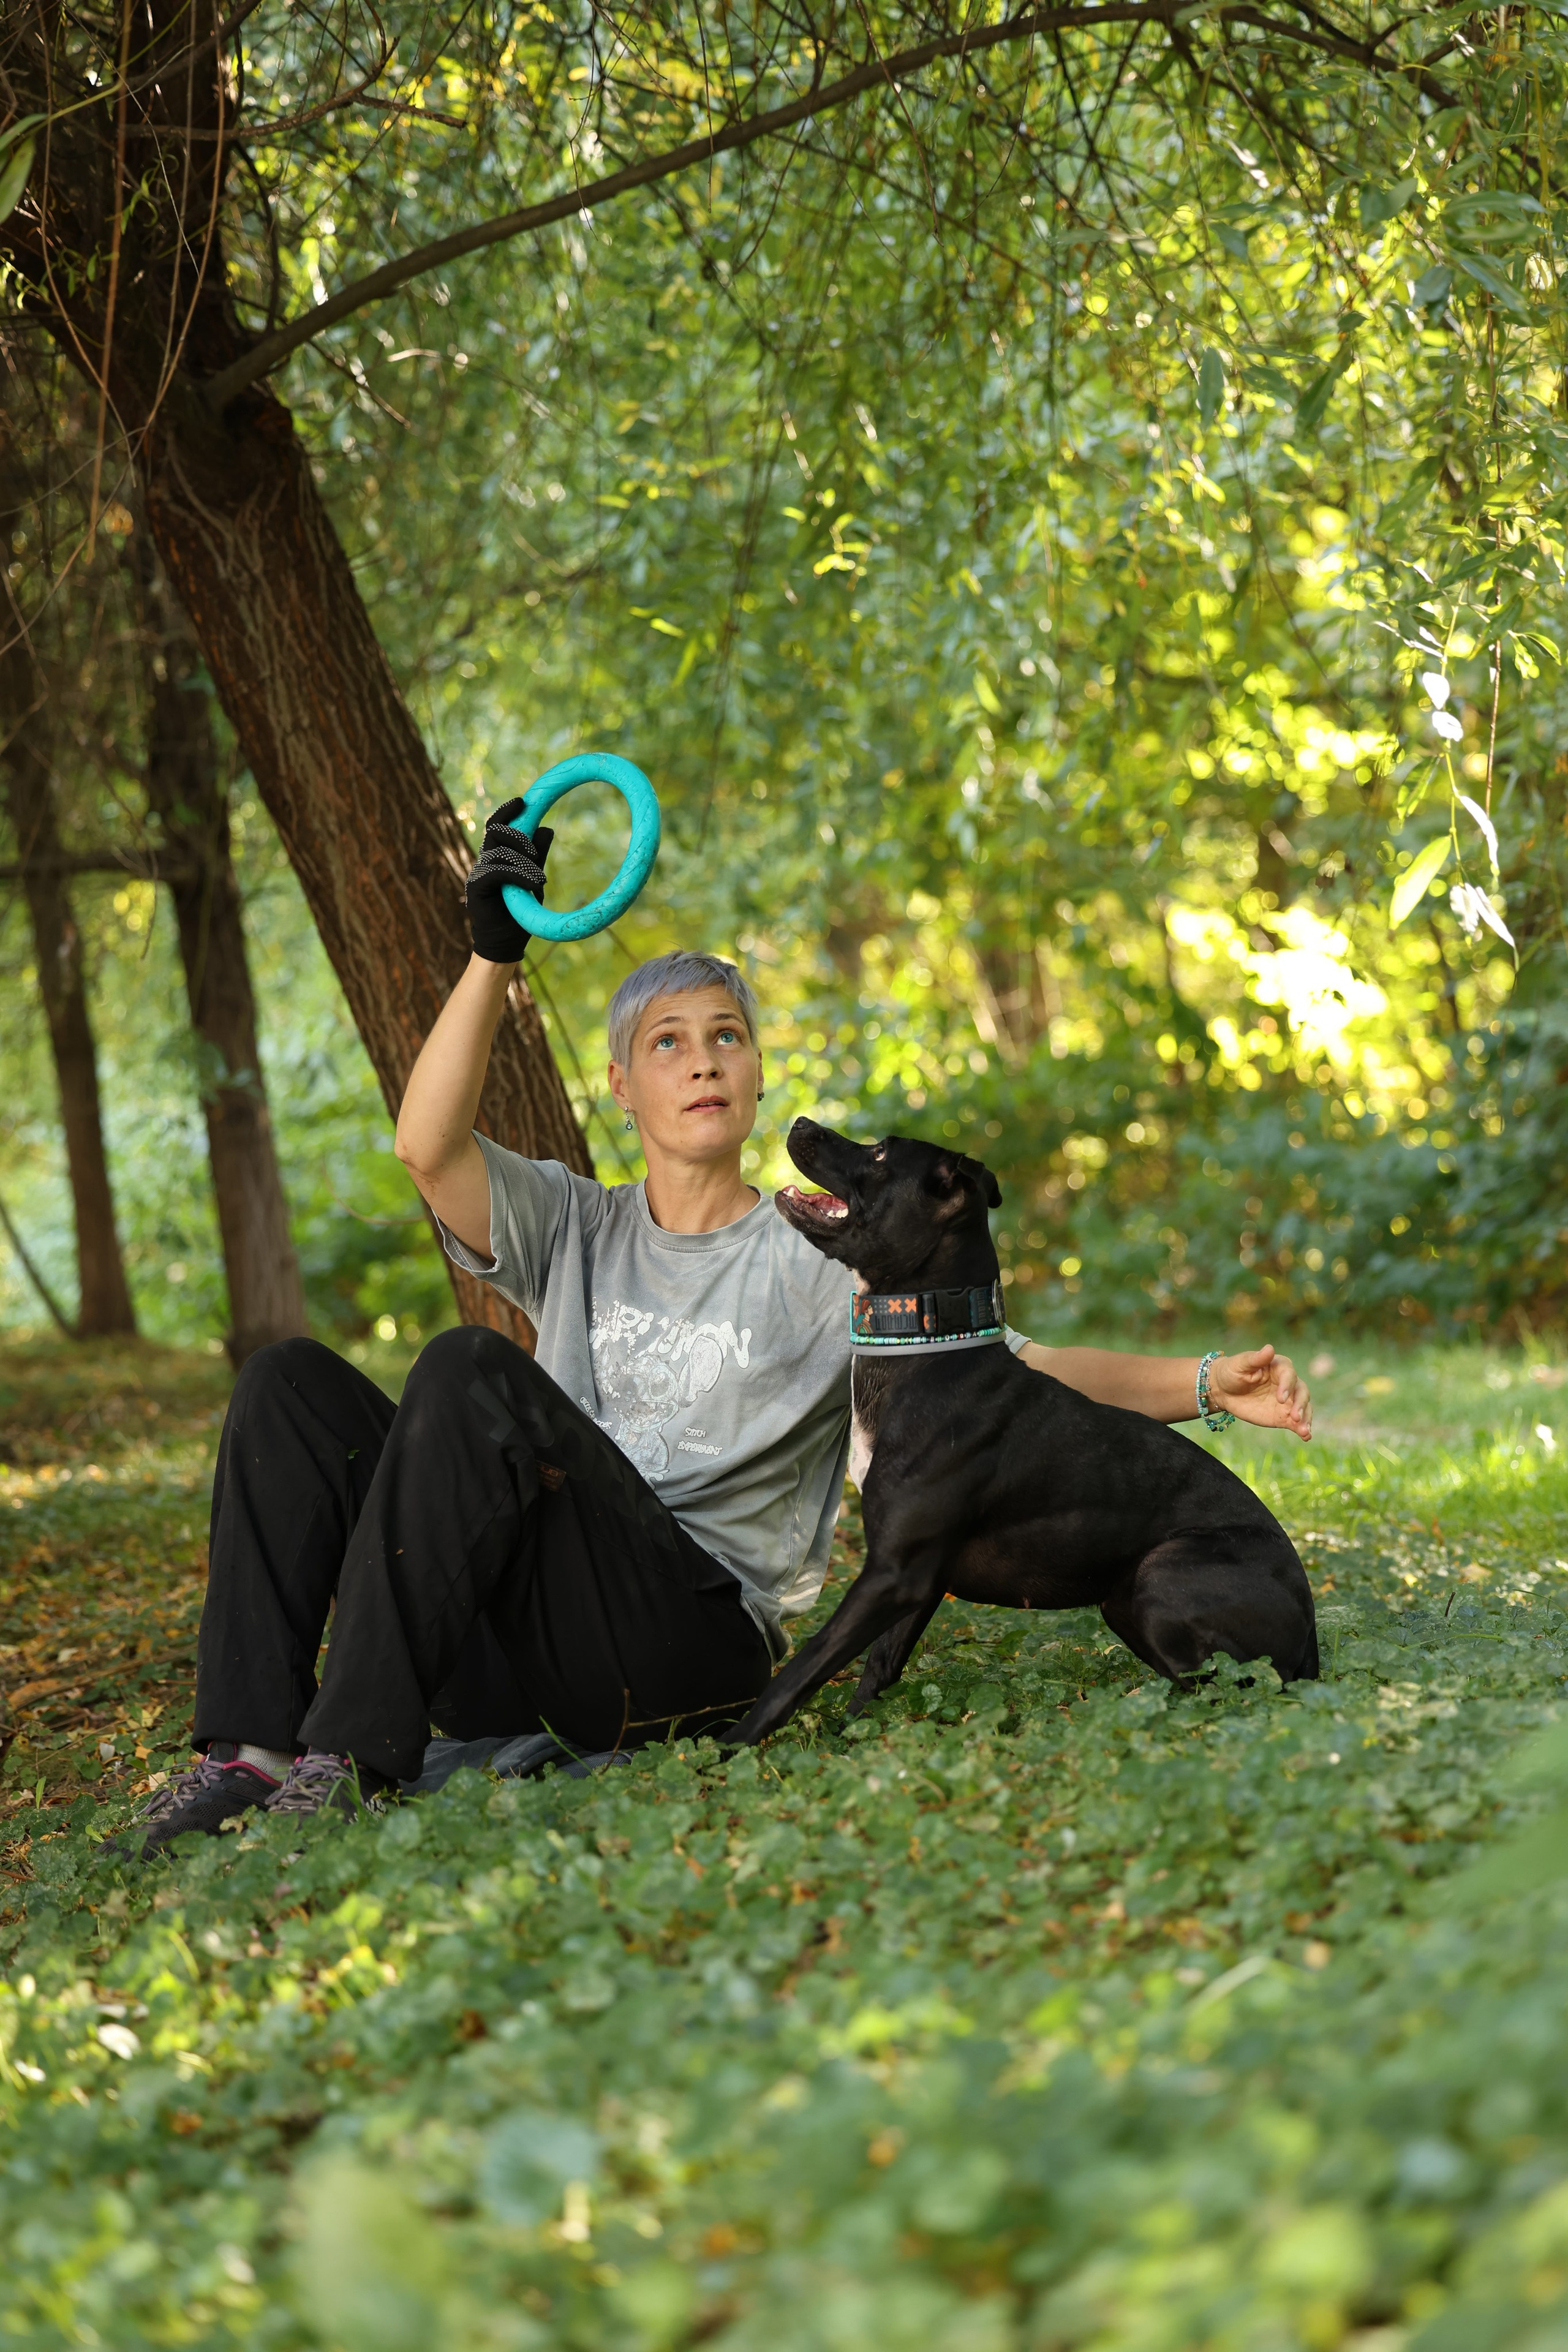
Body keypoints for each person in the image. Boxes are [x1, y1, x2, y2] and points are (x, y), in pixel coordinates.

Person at [119, 805, 1313, 1856]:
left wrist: (1209, 1381)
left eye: (726, 1038)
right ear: (621, 1089)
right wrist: (493, 954)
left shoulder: (818, 1262)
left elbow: (1019, 1376)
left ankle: (352, 1759)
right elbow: (423, 1148)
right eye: (668, 1043)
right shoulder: (574, 1224)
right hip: (529, 1639)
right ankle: (255, 1754)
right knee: (288, 1385)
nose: (703, 1062)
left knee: (469, 1367)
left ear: (752, 1079)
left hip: (682, 1648)